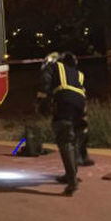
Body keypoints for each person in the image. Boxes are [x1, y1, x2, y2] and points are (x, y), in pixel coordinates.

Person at [37, 51, 88, 196]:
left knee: (64, 140)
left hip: (65, 102)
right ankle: (71, 175)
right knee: (74, 140)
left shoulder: (54, 66)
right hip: (80, 105)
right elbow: (82, 93)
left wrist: (42, 103)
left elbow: (45, 83)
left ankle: (72, 183)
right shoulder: (78, 74)